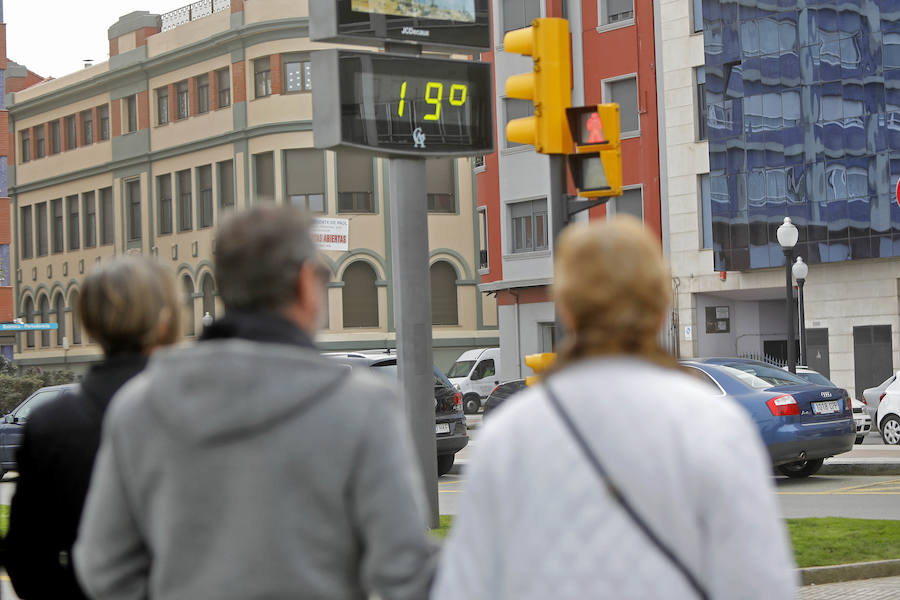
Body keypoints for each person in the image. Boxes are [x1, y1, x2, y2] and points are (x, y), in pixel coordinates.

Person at [74, 205, 436, 600]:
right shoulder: (365, 408)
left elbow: (102, 566)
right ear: (304, 282)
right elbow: (405, 573)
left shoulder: (138, 406)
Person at [431, 217, 797, 600]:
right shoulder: (715, 427)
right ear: (660, 307)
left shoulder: (510, 436)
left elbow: (466, 585)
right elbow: (760, 584)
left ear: (568, 310)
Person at [6, 256, 180, 599]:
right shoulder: (201, 411)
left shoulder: (51, 423)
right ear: (165, 319)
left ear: (89, 322)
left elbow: (26, 557)